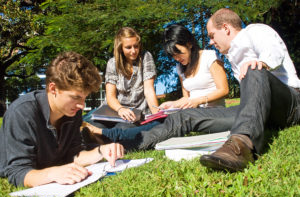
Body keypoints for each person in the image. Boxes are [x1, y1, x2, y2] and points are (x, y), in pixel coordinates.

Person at [121, 8, 300, 173]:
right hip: (258, 111)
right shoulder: (231, 57)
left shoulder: (255, 31)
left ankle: (241, 145)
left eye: (212, 36)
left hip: (288, 103)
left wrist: (262, 63)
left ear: (226, 28)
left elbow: (274, 52)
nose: (211, 41)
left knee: (252, 69)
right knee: (185, 117)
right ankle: (124, 142)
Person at [84, 24, 229, 143]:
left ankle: (109, 137)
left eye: (179, 52)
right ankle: (93, 134)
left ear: (189, 44)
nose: (176, 58)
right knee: (91, 121)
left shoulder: (209, 57)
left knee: (133, 128)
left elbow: (224, 90)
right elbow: (186, 98)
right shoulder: (181, 67)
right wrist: (171, 104)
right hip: (189, 112)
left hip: (204, 112)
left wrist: (196, 101)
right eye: (173, 55)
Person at [0, 52, 124, 187]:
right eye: (75, 97)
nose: (81, 105)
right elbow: (18, 172)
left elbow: (74, 155)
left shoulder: (72, 112)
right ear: (53, 88)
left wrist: (101, 151)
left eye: (84, 98)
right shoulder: (22, 113)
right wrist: (53, 173)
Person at [84, 27, 159, 132]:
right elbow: (110, 96)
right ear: (120, 48)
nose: (133, 51)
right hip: (114, 111)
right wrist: (120, 109)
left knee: (122, 130)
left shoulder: (146, 57)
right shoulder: (112, 63)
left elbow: (149, 90)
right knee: (90, 125)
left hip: (136, 114)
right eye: (128, 47)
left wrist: (157, 117)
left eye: (136, 46)